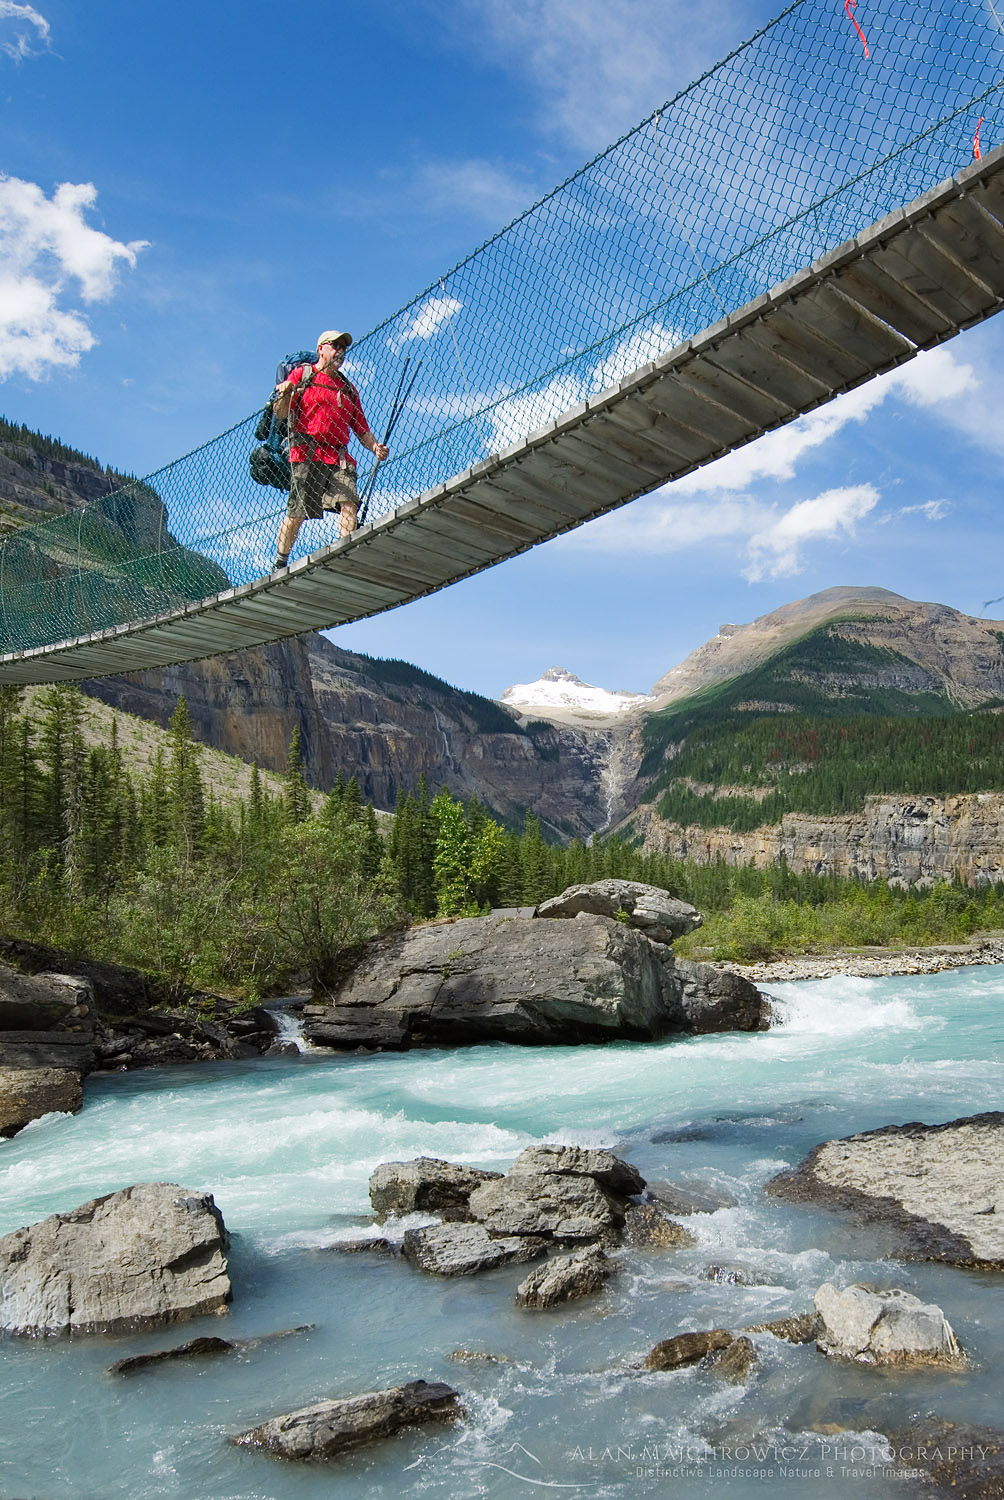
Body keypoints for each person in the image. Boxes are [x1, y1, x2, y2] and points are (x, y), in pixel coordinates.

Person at [271, 330, 389, 570]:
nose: (340, 352)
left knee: (349, 502)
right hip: (307, 453)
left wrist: (375, 447)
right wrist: (284, 394)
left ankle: (345, 553)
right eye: (335, 346)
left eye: (343, 348)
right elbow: (282, 413)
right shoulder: (302, 375)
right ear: (321, 349)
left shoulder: (347, 388)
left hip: (338, 455)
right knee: (298, 512)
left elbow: (360, 427)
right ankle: (280, 561)